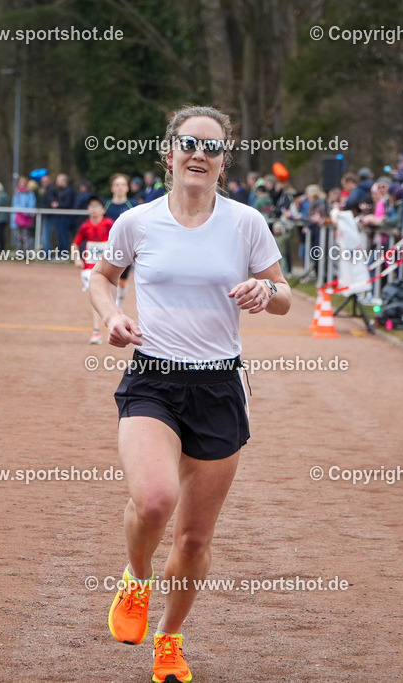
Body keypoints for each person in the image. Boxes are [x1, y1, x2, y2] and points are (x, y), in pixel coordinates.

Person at [89, 105, 288, 683]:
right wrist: (112, 315)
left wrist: (263, 289)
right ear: (168, 153)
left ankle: (169, 640)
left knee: (196, 536)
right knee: (153, 500)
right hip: (153, 378)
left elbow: (283, 295)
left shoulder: (246, 223)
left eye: (211, 146)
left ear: (224, 161)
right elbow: (104, 277)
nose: (198, 153)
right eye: (188, 143)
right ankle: (135, 578)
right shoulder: (138, 222)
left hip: (219, 385)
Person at [71, 195, 114, 343]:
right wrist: (77, 258)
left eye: (97, 207)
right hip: (89, 268)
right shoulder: (85, 226)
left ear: (103, 210)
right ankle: (96, 330)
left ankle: (112, 325)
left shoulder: (109, 224)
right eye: (91, 207)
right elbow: (75, 244)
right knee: (95, 296)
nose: (94, 210)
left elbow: (119, 242)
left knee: (108, 297)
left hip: (107, 267)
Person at [105, 174, 137, 311]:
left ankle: (120, 304)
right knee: (108, 279)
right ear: (112, 188)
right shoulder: (106, 205)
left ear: (127, 188)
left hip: (126, 249)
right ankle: (112, 307)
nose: (120, 188)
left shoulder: (133, 205)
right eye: (117, 185)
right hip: (108, 248)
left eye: (123, 184)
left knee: (122, 281)